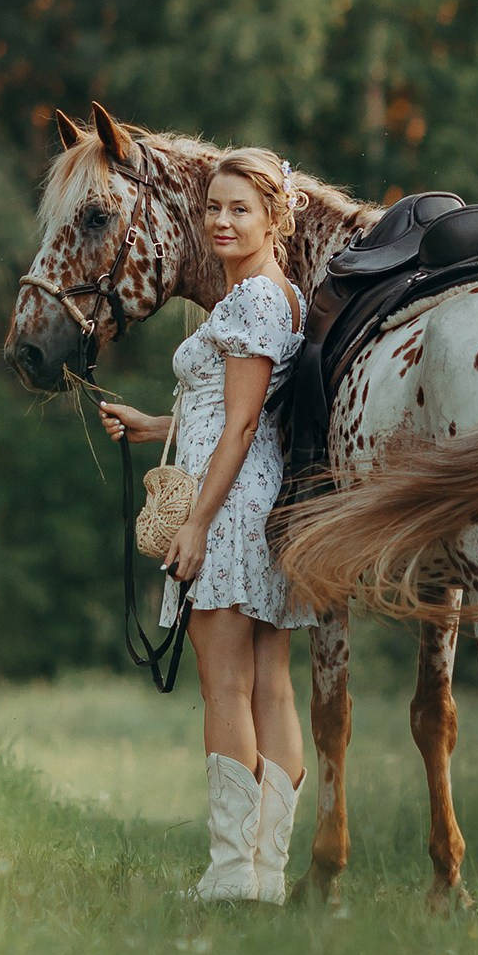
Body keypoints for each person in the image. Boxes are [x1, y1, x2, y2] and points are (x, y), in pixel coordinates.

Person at [99, 147, 315, 904]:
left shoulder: (254, 298)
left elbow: (244, 421)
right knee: (272, 690)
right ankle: (264, 874)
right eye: (213, 208)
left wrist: (196, 522)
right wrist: (152, 422)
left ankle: (233, 874)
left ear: (274, 218)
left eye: (240, 209)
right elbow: (228, 411)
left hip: (230, 509)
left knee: (227, 685)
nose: (222, 221)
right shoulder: (268, 296)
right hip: (260, 500)